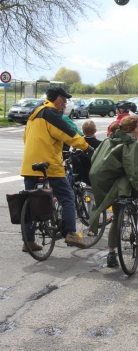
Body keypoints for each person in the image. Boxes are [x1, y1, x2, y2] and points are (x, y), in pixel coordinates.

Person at [20, 87, 93, 250]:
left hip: (29, 164)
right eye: (64, 99)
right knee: (67, 196)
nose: (65, 103)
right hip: (49, 164)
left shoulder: (35, 113)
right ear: (58, 98)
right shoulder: (50, 113)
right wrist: (87, 147)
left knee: (30, 200)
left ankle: (28, 241)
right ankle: (71, 233)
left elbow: (25, 137)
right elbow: (68, 134)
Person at [89, 115, 138, 268]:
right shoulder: (131, 143)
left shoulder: (107, 140)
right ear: (132, 129)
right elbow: (132, 167)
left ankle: (111, 254)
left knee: (117, 218)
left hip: (109, 187)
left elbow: (94, 159)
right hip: (125, 186)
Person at [75, 120, 102, 185]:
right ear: (95, 131)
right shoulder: (100, 144)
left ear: (83, 132)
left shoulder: (79, 144)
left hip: (80, 175)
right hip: (94, 174)